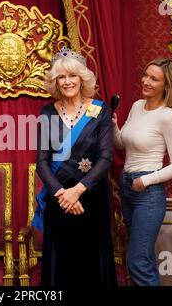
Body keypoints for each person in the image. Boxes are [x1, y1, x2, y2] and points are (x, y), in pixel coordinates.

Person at [34, 47, 117, 286]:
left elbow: (105, 158)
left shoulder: (99, 110)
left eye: (73, 75)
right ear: (55, 82)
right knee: (62, 264)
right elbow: (42, 162)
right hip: (59, 200)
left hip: (90, 197)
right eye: (61, 77)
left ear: (83, 78)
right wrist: (62, 194)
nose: (67, 81)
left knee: (90, 263)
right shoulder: (47, 113)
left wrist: (77, 191)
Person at [112, 58, 172, 286]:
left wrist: (146, 180)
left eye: (154, 79)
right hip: (127, 187)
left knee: (138, 261)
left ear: (167, 85)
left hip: (148, 194)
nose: (146, 81)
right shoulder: (136, 106)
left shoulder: (167, 115)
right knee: (143, 258)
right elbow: (122, 144)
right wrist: (114, 125)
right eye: (145, 75)